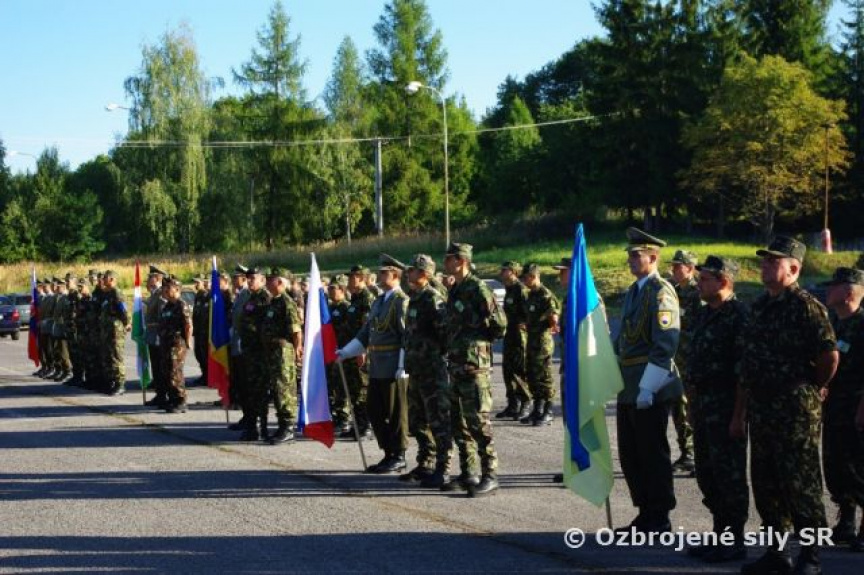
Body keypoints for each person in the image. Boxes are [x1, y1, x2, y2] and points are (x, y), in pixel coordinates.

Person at [738, 236, 838, 575]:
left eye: (773, 261)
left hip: (794, 406)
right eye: (764, 260)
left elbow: (829, 356)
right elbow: (748, 362)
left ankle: (811, 555)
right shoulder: (759, 306)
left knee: (801, 482)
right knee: (766, 482)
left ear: (793, 269)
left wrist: (812, 386)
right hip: (763, 406)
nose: (765, 266)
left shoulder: (806, 306)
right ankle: (777, 552)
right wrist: (742, 410)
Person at [613, 227, 682, 533]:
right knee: (631, 454)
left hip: (649, 385)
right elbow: (623, 339)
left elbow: (665, 342)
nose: (630, 259)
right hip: (629, 385)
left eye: (636, 255)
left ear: (653, 258)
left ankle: (659, 515)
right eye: (630, 254)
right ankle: (644, 511)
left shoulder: (661, 291)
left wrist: (648, 386)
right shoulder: (635, 290)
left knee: (652, 453)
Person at [684, 256, 750, 563]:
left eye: (705, 279)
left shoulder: (739, 316)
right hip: (703, 406)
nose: (699, 283)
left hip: (726, 408)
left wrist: (739, 416)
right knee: (707, 474)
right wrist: (691, 405)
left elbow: (743, 372)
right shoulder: (703, 314)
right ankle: (720, 533)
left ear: (723, 281)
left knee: (729, 476)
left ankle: (734, 539)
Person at [442, 242, 506, 496]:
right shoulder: (456, 289)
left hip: (474, 366)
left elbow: (499, 324)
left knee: (479, 422)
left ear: (461, 261)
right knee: (459, 423)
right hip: (456, 364)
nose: (445, 263)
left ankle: (490, 474)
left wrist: (478, 342)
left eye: (449, 258)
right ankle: (469, 472)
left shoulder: (478, 288)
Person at [337, 255, 409, 474]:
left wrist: (403, 365)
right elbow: (365, 333)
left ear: (395, 275)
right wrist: (346, 352)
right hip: (377, 366)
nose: (379, 275)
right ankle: (388, 451)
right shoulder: (379, 301)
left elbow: (406, 336)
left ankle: (398, 455)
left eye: (384, 272)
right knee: (374, 411)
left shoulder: (401, 301)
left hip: (393, 366)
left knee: (395, 413)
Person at [820, 267, 864, 552]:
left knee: (860, 467)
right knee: (837, 467)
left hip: (857, 407)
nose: (828, 290)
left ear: (848, 292)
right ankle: (846, 522)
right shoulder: (833, 321)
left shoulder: (862, 324)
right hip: (835, 408)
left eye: (833, 286)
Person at [402, 254, 451, 488]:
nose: (408, 273)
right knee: (418, 420)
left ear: (423, 273)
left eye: (412, 270)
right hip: (417, 369)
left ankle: (443, 468)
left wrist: (435, 355)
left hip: (432, 370)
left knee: (438, 420)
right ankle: (425, 463)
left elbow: (445, 334)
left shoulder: (433, 298)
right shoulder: (415, 297)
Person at [262, 267, 303, 444]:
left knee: (284, 388)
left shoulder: (287, 302)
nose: (267, 282)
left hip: (283, 353)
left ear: (280, 282)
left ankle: (288, 427)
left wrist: (298, 348)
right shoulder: (274, 301)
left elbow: (296, 330)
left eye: (270, 279)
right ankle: (282, 425)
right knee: (277, 388)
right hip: (273, 352)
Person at [520, 263, 561, 426]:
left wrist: (551, 324)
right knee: (532, 375)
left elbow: (553, 316)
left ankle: (548, 411)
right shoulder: (531, 294)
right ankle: (537, 409)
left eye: (525, 277)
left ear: (533, 276)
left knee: (544, 376)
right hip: (531, 340)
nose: (523, 281)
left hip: (542, 342)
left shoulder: (545, 295)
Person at [669, 250, 698, 473]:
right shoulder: (673, 292)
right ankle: (687, 451)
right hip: (675, 361)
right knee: (678, 407)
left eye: (679, 266)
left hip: (692, 362)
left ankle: (696, 453)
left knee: (692, 408)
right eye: (673, 266)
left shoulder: (699, 294)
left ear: (690, 268)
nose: (674, 270)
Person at [236, 267, 272, 441]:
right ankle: (252, 424)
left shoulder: (265, 298)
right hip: (249, 350)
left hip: (259, 352)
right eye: (248, 278)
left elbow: (266, 325)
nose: (249, 281)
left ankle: (259, 427)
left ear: (262, 280)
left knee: (259, 390)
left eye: (253, 278)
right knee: (249, 389)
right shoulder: (251, 298)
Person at [342, 265, 375, 440]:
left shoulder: (366, 298)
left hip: (361, 351)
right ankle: (357, 424)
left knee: (363, 388)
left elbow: (367, 326)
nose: (349, 280)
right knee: (354, 389)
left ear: (361, 278)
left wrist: (363, 349)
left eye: (352, 277)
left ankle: (366, 426)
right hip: (352, 349)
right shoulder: (355, 298)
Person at [497, 261, 531, 421]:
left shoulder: (521, 289)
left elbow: (529, 313)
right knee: (508, 370)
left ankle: (525, 402)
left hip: (519, 336)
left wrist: (524, 325)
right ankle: (513, 404)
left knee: (519, 370)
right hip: (509, 335)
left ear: (513, 272)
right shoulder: (509, 289)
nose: (501, 273)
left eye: (505, 270)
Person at [157, 277, 191, 413]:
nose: (165, 290)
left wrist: (187, 341)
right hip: (166, 343)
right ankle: (172, 398)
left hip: (176, 344)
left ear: (177, 289)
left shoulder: (181, 305)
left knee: (175, 371)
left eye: (168, 287)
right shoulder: (167, 306)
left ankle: (180, 400)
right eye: (164, 287)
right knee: (166, 371)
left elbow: (188, 325)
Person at [327, 275, 353, 434]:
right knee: (333, 385)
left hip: (343, 352)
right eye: (329, 288)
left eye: (333, 288)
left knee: (342, 386)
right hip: (330, 352)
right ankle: (336, 416)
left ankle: (344, 418)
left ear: (342, 290)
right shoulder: (329, 308)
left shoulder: (346, 307)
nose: (330, 291)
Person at [100, 270, 130, 396]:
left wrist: (125, 324)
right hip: (107, 330)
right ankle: (111, 382)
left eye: (105, 278)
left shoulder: (117, 293)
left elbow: (124, 311)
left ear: (111, 279)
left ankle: (120, 384)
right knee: (108, 356)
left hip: (115, 331)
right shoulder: (107, 294)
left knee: (116, 357)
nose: (103, 280)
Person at [144, 266, 168, 408]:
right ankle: (159, 395)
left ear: (158, 278)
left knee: (160, 368)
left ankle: (163, 395)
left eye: (151, 277)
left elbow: (163, 316)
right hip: (152, 337)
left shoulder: (161, 294)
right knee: (156, 368)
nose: (148, 279)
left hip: (158, 337)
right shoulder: (154, 294)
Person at [191, 275, 210, 386]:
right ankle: (204, 374)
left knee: (205, 355)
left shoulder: (208, 296)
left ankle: (208, 377)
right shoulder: (198, 296)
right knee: (199, 354)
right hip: (198, 331)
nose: (195, 285)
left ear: (204, 283)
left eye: (198, 282)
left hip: (205, 332)